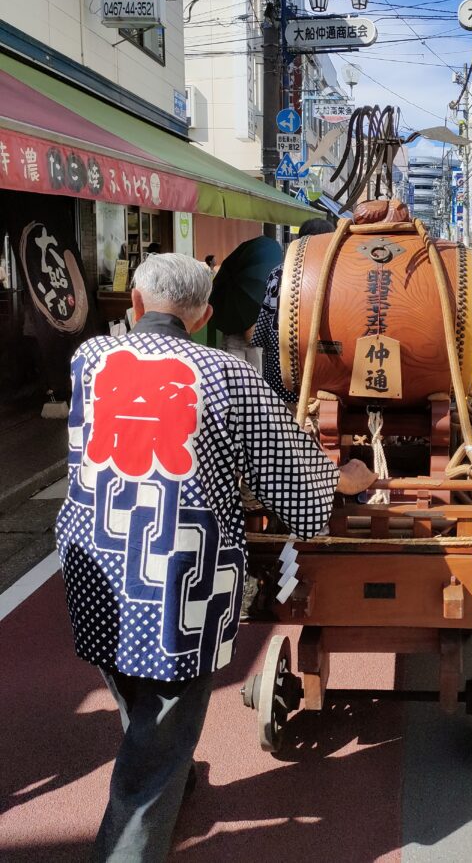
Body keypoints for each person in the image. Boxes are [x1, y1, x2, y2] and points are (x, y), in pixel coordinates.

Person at [55, 253, 374, 862]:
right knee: (160, 727)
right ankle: (128, 845)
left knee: (139, 704)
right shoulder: (227, 375)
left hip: (95, 570)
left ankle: (170, 776)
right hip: (177, 584)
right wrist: (343, 481)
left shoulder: (88, 358)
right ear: (203, 315)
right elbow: (295, 480)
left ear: (136, 302)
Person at [252, 217, 336, 404]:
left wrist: (265, 342)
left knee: (286, 416)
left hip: (281, 358)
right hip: (325, 358)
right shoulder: (335, 273)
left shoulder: (279, 272)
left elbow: (266, 321)